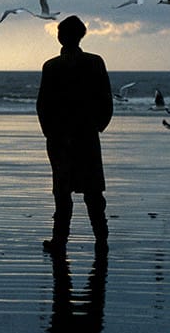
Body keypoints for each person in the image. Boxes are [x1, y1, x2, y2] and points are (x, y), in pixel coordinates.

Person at [35, 14, 114, 256]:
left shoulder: (51, 66)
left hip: (60, 137)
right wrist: (98, 126)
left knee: (62, 191)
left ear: (60, 36)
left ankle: (60, 240)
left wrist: (49, 131)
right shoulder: (95, 62)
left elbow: (42, 104)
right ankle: (101, 238)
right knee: (92, 192)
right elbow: (106, 100)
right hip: (87, 134)